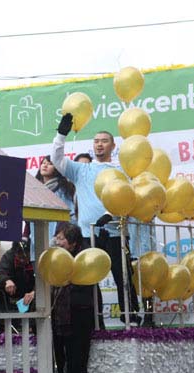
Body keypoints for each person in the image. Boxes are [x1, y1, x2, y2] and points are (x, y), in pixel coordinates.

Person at [52, 115, 141, 325]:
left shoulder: (121, 172)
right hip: (87, 234)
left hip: (114, 232)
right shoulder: (82, 169)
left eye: (104, 141)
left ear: (113, 146)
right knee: (88, 280)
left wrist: (110, 215)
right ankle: (95, 322)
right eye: (96, 141)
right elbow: (56, 159)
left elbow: (130, 199)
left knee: (123, 278)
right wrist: (61, 135)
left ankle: (131, 318)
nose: (99, 144)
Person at [51, 222, 99, 373]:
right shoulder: (55, 257)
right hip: (57, 315)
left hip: (78, 315)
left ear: (72, 242)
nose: (58, 241)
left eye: (61, 238)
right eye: (57, 237)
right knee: (58, 358)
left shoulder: (85, 258)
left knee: (77, 358)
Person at [0, 238, 35, 314]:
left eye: (25, 257)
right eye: (20, 257)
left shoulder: (36, 258)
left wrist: (34, 292)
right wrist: (7, 281)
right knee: (0, 291)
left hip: (32, 291)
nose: (22, 260)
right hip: (12, 291)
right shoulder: (9, 256)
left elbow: (44, 280)